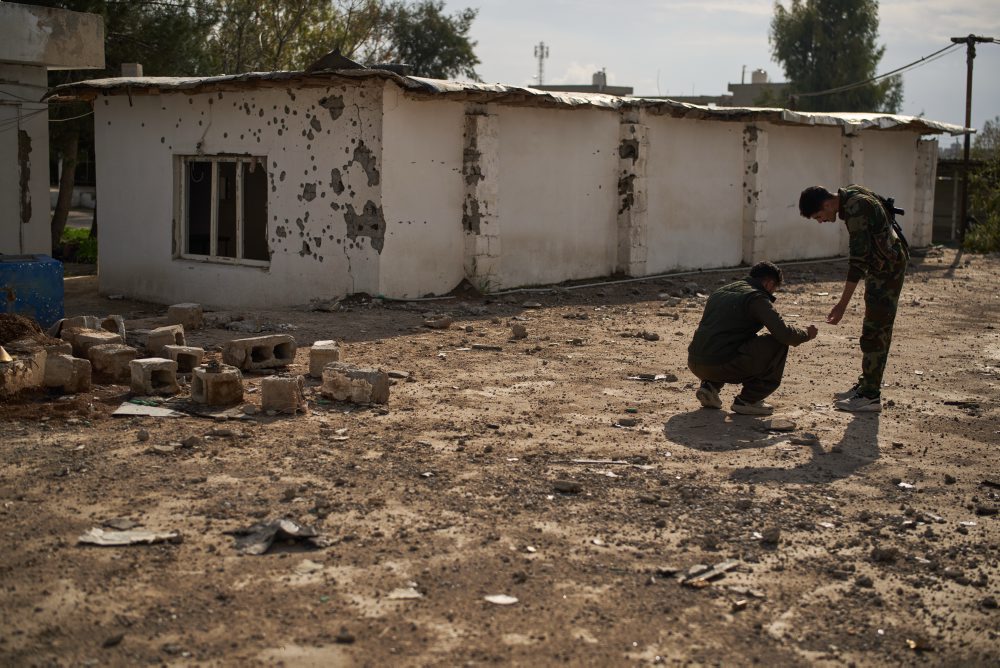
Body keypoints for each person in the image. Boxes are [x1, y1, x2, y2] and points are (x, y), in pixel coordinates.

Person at [798, 184, 909, 413]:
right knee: (875, 328)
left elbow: (858, 262)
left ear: (827, 204)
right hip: (885, 266)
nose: (821, 221)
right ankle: (867, 384)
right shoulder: (852, 193)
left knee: (875, 330)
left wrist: (842, 305)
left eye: (819, 216)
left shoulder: (855, 208)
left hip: (887, 271)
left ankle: (870, 395)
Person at [688, 261, 818, 416]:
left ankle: (709, 387)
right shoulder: (756, 297)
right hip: (721, 364)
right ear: (769, 283)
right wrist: (806, 334)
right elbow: (783, 333)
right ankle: (748, 400)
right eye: (774, 288)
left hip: (696, 363)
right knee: (777, 343)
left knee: (730, 340)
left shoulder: (721, 291)